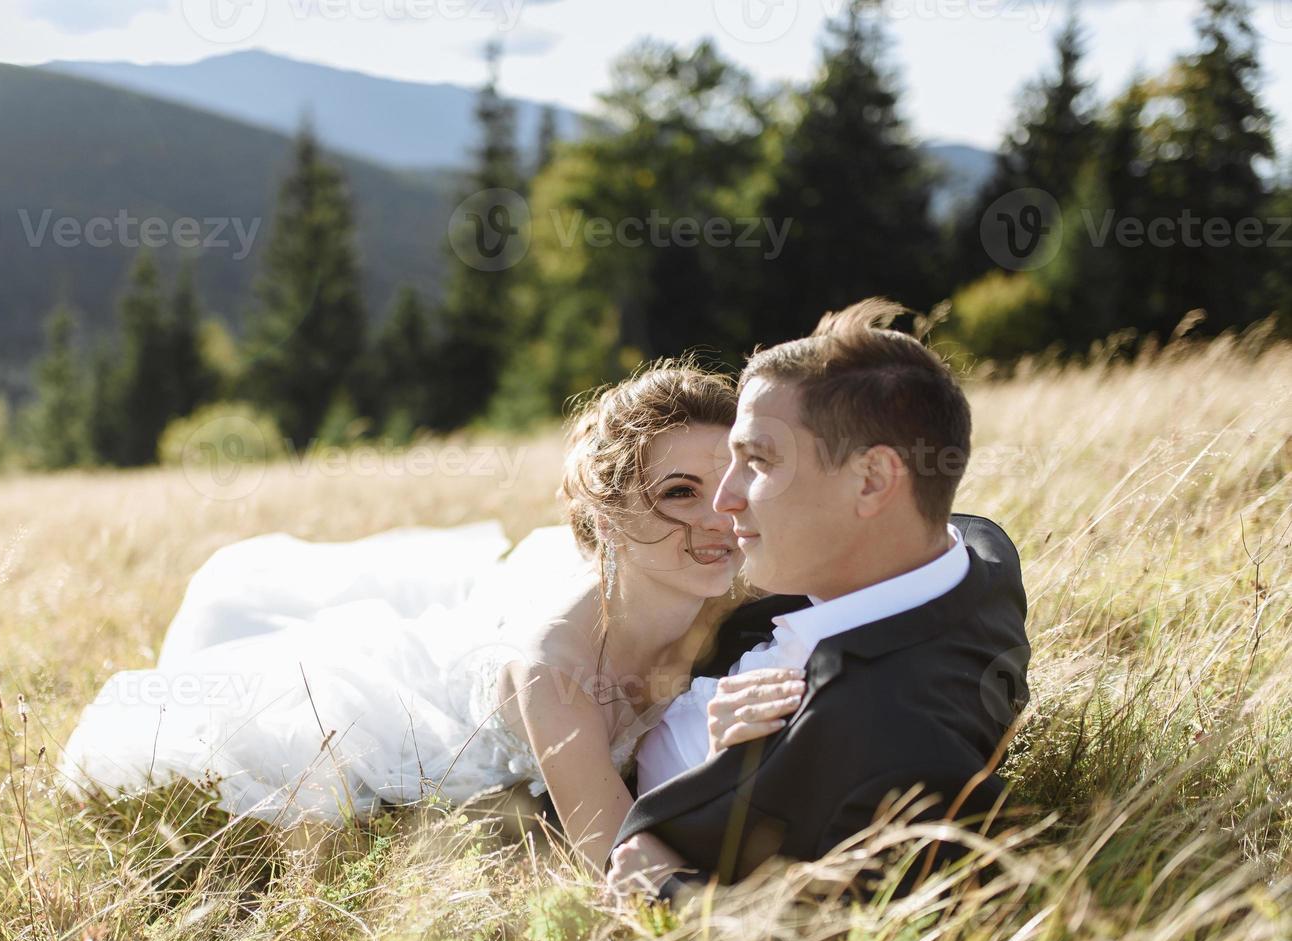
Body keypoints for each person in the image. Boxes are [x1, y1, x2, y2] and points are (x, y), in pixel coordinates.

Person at [59, 361, 744, 875]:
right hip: (399, 717)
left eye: (730, 486)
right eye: (679, 492)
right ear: (608, 511)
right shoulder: (553, 671)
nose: (720, 517)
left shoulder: (742, 591)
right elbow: (612, 858)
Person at [607, 298, 1031, 896]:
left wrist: (661, 884)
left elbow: (866, 939)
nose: (724, 500)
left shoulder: (887, 745)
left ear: (872, 480)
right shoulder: (973, 556)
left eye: (757, 461)